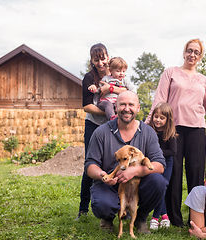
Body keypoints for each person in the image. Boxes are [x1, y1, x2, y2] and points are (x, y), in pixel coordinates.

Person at [145, 38, 206, 227]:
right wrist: (148, 124)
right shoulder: (170, 73)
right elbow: (159, 100)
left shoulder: (204, 80)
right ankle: (174, 219)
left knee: (196, 175)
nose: (192, 55)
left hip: (197, 130)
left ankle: (195, 218)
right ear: (184, 52)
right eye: (190, 50)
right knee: (173, 174)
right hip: (173, 130)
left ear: (200, 57)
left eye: (197, 52)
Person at [84, 90, 168, 234]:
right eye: (122, 105)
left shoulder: (148, 132)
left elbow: (160, 165)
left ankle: (140, 219)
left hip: (137, 186)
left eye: (131, 105)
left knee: (159, 182)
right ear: (115, 107)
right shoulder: (101, 132)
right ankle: (108, 217)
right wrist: (103, 175)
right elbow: (90, 165)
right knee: (102, 205)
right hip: (110, 185)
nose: (127, 108)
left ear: (138, 108)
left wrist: (135, 171)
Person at [76, 43, 127, 220]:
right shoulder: (89, 77)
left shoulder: (115, 71)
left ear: (108, 56)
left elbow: (127, 91)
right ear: (91, 60)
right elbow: (87, 106)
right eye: (96, 59)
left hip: (114, 125)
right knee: (90, 165)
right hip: (95, 125)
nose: (100, 62)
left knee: (116, 162)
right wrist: (108, 112)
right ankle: (83, 208)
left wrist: (111, 89)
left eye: (103, 58)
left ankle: (119, 205)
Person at [147, 102, 177, 230]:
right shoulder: (149, 131)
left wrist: (157, 152)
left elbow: (173, 152)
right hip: (153, 163)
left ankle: (155, 218)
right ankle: (164, 216)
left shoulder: (170, 134)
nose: (158, 120)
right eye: (156, 116)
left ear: (167, 120)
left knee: (163, 188)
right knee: (158, 188)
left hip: (167, 164)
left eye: (161, 118)